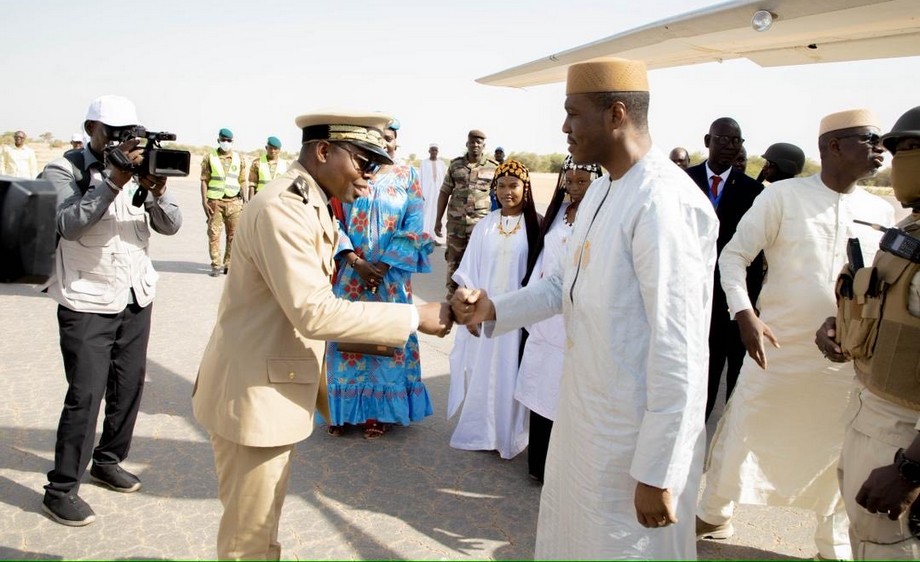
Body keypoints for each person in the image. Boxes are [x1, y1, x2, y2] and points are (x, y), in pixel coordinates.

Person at [453, 58, 719, 559]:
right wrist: (492, 309)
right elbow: (561, 285)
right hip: (583, 419)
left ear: (616, 114)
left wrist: (660, 468)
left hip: (631, 440)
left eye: (573, 114)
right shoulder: (600, 189)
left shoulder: (664, 202)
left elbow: (680, 350)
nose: (564, 127)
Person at [192, 110, 452, 560]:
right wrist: (414, 317)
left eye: (376, 164)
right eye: (362, 162)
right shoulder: (283, 209)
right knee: (247, 541)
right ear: (324, 151)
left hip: (269, 391)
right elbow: (314, 313)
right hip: (255, 398)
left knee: (262, 530)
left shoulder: (307, 200)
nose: (370, 177)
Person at [696, 109, 896, 560]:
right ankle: (714, 511)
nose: (880, 148)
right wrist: (744, 314)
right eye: (869, 139)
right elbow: (733, 258)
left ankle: (833, 541)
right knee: (745, 429)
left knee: (838, 446)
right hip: (776, 347)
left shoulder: (880, 210)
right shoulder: (782, 197)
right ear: (832, 146)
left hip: (845, 359)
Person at [39, 95, 182, 526]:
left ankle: (108, 460)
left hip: (135, 295)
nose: (122, 141)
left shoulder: (143, 165)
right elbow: (67, 224)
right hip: (86, 299)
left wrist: (154, 191)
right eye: (113, 133)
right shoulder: (65, 169)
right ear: (91, 129)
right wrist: (113, 181)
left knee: (128, 387)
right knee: (85, 395)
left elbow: (171, 224)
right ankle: (61, 488)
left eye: (129, 133)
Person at [815, 106, 920, 559]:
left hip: (905, 438)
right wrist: (844, 330)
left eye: (915, 149)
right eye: (900, 149)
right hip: (870, 414)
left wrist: (909, 471)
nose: (902, 159)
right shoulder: (908, 232)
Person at [324, 120, 434, 439]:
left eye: (388, 138)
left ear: (397, 141)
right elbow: (332, 220)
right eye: (377, 139)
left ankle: (378, 412)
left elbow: (415, 224)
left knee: (386, 339)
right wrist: (355, 262)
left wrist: (383, 266)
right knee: (346, 339)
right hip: (352, 273)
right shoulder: (351, 173)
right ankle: (341, 411)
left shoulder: (407, 176)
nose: (384, 144)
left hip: (391, 276)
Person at [514, 154, 601, 482]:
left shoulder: (598, 218)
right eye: (570, 179)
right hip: (546, 318)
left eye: (582, 180)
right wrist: (529, 304)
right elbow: (540, 263)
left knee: (566, 391)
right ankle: (538, 465)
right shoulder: (558, 215)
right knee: (541, 387)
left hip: (576, 319)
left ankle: (564, 468)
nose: (574, 186)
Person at [447, 159, 540, 460]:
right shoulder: (486, 225)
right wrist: (471, 312)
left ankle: (508, 436)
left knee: (511, 374)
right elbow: (469, 269)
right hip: (486, 317)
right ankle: (483, 433)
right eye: (500, 185)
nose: (506, 192)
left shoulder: (536, 225)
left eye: (513, 185)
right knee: (484, 371)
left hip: (517, 318)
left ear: (525, 188)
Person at [686, 118, 765, 420]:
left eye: (738, 141)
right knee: (697, 378)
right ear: (708, 141)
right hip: (692, 297)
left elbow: (755, 256)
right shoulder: (684, 181)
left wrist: (749, 303)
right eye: (725, 139)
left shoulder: (753, 191)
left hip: (732, 302)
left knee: (732, 377)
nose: (732, 147)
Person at [434, 129, 498, 299]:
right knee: (453, 261)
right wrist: (437, 220)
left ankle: (475, 298)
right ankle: (452, 299)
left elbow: (500, 196)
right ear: (467, 143)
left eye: (479, 142)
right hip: (456, 224)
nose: (475, 145)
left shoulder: (493, 167)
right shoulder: (455, 165)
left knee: (479, 262)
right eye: (472, 141)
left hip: (480, 225)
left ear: (484, 145)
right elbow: (444, 192)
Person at [200, 127, 247, 277]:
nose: (225, 143)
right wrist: (204, 201)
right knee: (214, 234)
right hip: (215, 202)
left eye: (228, 140)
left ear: (232, 142)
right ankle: (216, 265)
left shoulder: (240, 159)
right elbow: (204, 181)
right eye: (223, 140)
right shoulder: (210, 157)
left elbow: (243, 181)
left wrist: (245, 201)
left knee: (233, 236)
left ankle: (228, 264)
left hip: (234, 202)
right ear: (218, 140)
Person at [419, 143, 446, 242]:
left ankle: (436, 238)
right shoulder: (424, 163)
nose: (434, 152)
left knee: (438, 213)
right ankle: (425, 236)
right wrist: (421, 192)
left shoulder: (442, 164)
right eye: (432, 150)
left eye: (436, 150)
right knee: (427, 213)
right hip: (427, 193)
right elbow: (420, 178)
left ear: (437, 152)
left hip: (439, 193)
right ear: (429, 151)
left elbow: (445, 179)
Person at [248, 136, 288, 200]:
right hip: (260, 200)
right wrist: (250, 204)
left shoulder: (285, 165)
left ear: (279, 150)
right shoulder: (257, 163)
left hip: (277, 201)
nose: (272, 151)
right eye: (270, 148)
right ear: (266, 148)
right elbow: (252, 185)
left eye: (275, 148)